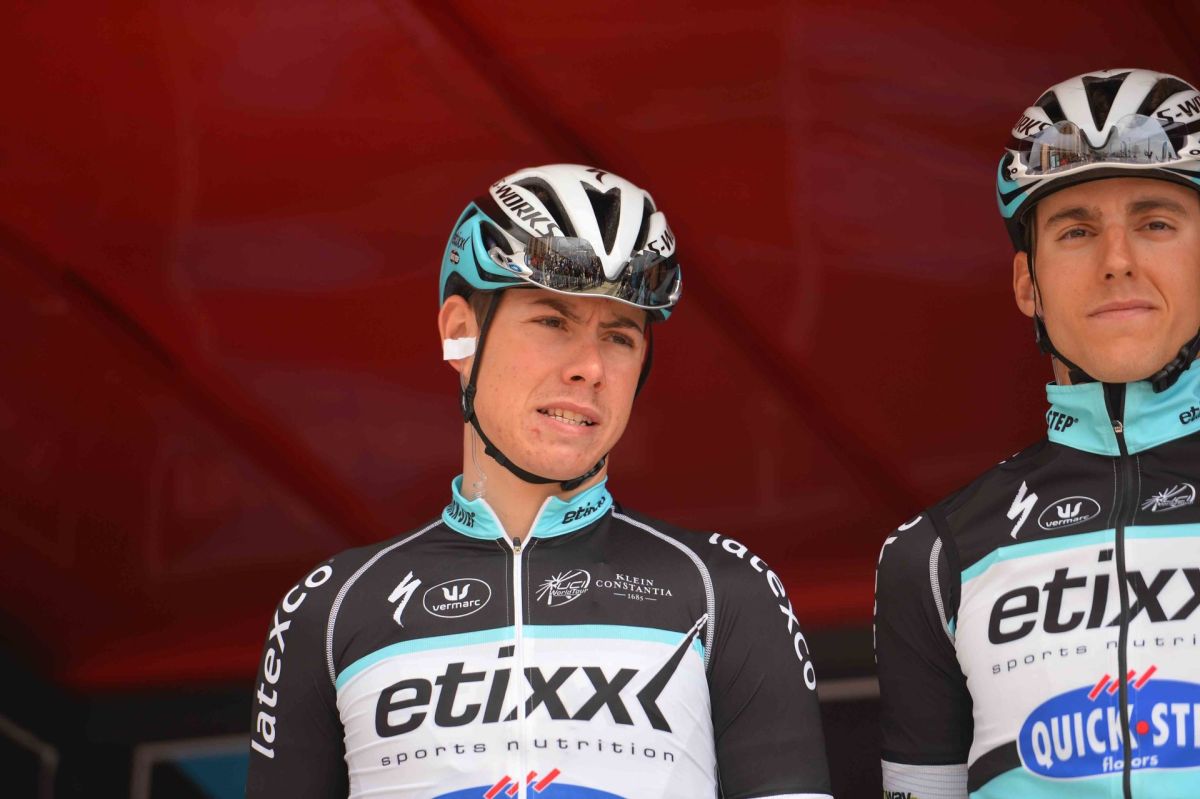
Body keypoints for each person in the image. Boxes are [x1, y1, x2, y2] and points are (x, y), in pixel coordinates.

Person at [245, 164, 832, 798]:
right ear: (461, 333)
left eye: (619, 336)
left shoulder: (724, 592)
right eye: (553, 322)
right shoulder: (330, 609)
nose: (590, 367)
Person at [875, 68, 1200, 799]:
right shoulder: (934, 555)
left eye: (1155, 222)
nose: (1117, 260)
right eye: (1077, 231)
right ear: (1028, 285)